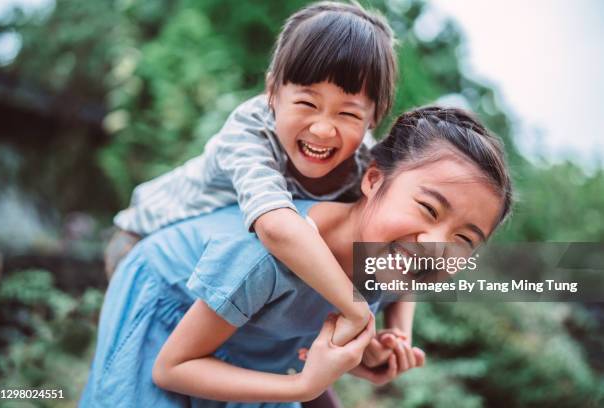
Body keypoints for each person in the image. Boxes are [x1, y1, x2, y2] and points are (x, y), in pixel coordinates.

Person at [81, 107, 513, 407]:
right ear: (374, 181)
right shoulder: (266, 257)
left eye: (463, 240)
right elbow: (172, 368)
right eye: (428, 209)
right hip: (170, 315)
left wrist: (389, 341)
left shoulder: (387, 260)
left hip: (251, 344)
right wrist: (305, 386)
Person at [105, 1, 398, 347]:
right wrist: (357, 309)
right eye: (307, 103)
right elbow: (274, 227)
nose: (322, 129)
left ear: (373, 118)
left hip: (222, 275)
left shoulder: (364, 164)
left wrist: (396, 331)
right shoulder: (250, 129)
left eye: (348, 114)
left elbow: (398, 238)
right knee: (148, 372)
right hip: (144, 246)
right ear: (272, 92)